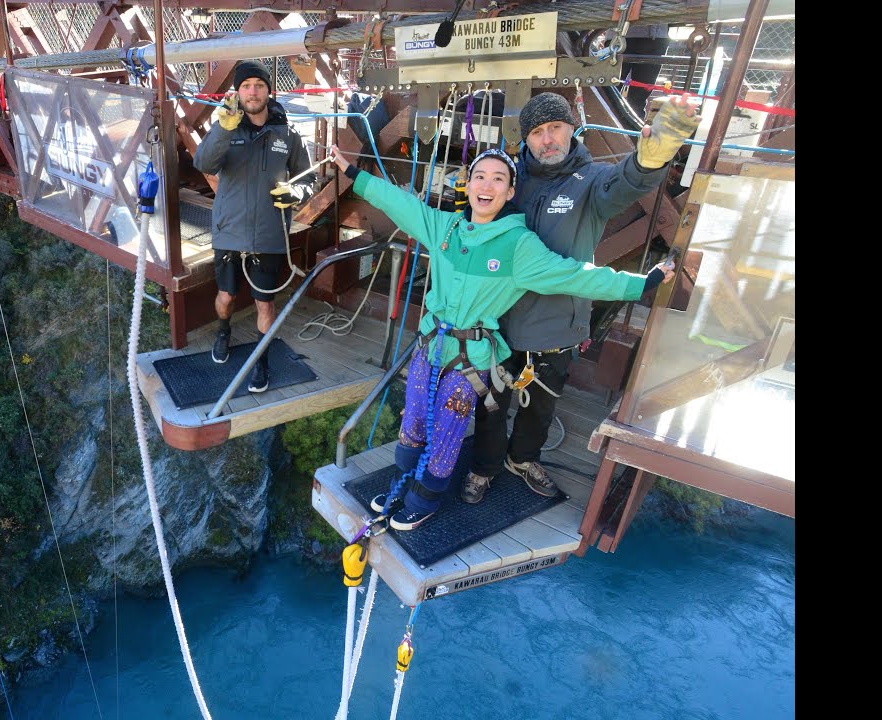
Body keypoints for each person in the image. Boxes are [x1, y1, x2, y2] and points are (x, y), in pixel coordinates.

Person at [329, 145, 675, 530]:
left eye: (499, 179)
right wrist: (354, 173)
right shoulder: (446, 228)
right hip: (431, 345)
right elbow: (400, 203)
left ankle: (426, 498)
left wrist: (642, 283)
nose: (487, 185)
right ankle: (402, 482)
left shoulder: (519, 247)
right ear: (469, 184)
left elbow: (576, 275)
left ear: (511, 192)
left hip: (471, 357)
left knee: (447, 426)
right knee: (412, 421)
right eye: (480, 176)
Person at [471, 92, 700, 505]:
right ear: (526, 140)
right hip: (497, 322)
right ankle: (483, 468)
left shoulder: (592, 180)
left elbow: (624, 184)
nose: (547, 139)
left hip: (558, 325)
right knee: (489, 405)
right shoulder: (508, 179)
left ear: (572, 127)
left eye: (555, 127)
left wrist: (650, 159)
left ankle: (522, 460)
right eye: (537, 132)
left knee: (541, 407)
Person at [192, 60, 316, 392]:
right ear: (237, 92)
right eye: (245, 86)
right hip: (229, 230)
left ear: (268, 91)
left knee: (265, 303)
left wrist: (296, 192)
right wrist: (223, 127)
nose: (252, 91)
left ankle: (260, 360)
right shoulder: (226, 127)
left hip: (270, 235)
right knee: (226, 295)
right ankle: (223, 331)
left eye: (258, 85)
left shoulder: (288, 134)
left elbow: (308, 179)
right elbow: (203, 162)